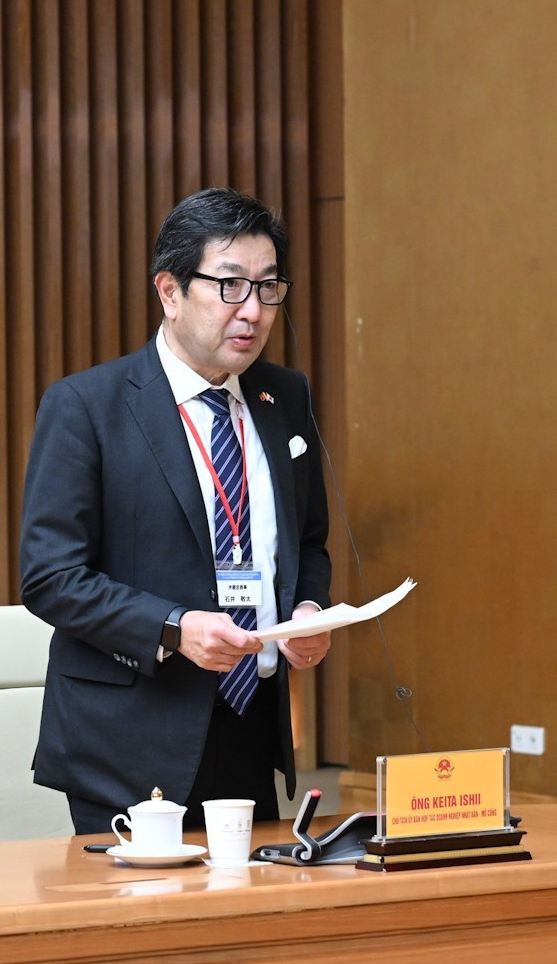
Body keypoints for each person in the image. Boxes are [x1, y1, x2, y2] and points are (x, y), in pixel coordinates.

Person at [18, 188, 333, 833]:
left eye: (269, 288)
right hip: (131, 735)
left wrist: (309, 609)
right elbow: (49, 577)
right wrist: (171, 626)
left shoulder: (285, 395)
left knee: (247, 922)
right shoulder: (87, 406)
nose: (252, 311)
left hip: (250, 717)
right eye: (230, 286)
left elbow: (309, 541)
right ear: (169, 292)